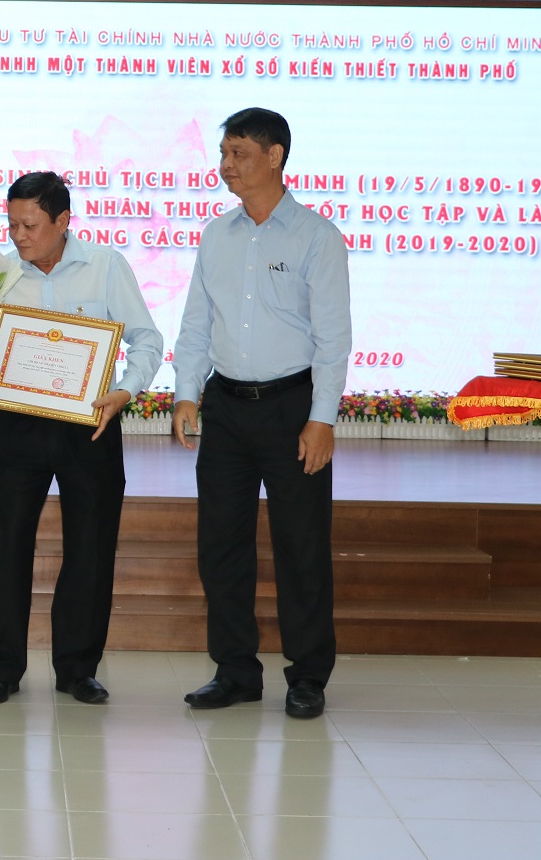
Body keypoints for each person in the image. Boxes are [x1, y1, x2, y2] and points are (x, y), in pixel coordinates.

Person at [0, 171, 163, 706]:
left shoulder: (105, 266)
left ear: (64, 221)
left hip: (91, 425)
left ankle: (78, 669)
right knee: (11, 544)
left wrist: (126, 391)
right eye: (12, 224)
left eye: (31, 225)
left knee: (91, 546)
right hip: (19, 426)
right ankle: (1, 671)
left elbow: (147, 339)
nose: (19, 236)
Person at [172, 108, 352, 719]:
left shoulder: (316, 237)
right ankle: (235, 671)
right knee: (221, 545)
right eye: (223, 153)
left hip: (292, 409)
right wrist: (187, 393)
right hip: (226, 407)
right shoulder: (215, 235)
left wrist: (322, 418)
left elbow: (333, 338)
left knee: (301, 546)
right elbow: (197, 322)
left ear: (275, 157)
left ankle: (308, 675)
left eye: (239, 153)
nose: (226, 165)